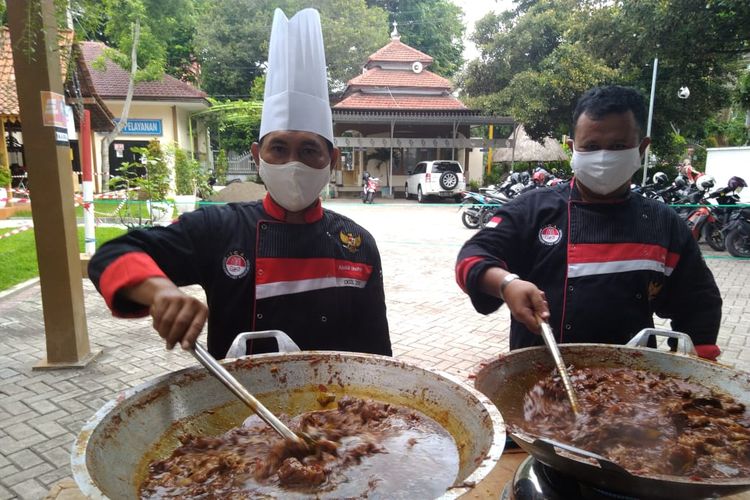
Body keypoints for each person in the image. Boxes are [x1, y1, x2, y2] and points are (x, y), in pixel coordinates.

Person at [89, 8, 391, 359]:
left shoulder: (357, 245)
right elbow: (112, 256)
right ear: (257, 155)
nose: (293, 163)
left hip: (338, 410)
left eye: (309, 150)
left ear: (332, 161)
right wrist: (159, 291)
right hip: (237, 407)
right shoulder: (219, 229)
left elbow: (378, 357)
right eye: (278, 148)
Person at [455, 85, 722, 360]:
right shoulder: (532, 210)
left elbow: (698, 301)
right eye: (591, 147)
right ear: (573, 148)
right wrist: (506, 284)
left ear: (642, 148)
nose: (604, 157)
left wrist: (698, 369)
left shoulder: (663, 223)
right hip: (538, 378)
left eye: (618, 146)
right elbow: (471, 259)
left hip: (635, 386)